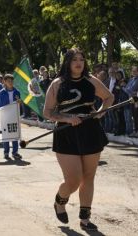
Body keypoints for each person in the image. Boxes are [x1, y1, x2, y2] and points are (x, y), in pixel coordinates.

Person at [43, 48, 114, 231]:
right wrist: (66, 118)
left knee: (88, 177)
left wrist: (100, 113)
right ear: (67, 62)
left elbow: (109, 97)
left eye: (82, 59)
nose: (79, 63)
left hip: (90, 131)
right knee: (74, 180)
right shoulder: (58, 83)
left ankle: (85, 218)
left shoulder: (91, 80)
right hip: (66, 133)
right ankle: (60, 202)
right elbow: (47, 112)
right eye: (75, 59)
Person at [0, 74, 22, 160]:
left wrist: (19, 102)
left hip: (14, 116)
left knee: (14, 135)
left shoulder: (17, 92)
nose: (10, 83)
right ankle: (6, 152)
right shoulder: (2, 92)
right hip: (5, 116)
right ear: (4, 82)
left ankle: (15, 152)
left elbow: (19, 105)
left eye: (11, 81)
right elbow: (0, 106)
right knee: (6, 135)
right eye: (8, 81)